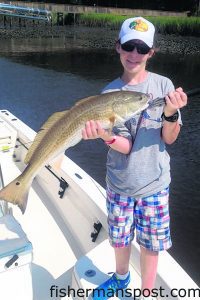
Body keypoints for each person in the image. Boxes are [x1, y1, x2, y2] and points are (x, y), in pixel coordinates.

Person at [81, 17, 187, 300]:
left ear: (151, 52)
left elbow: (170, 138)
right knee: (120, 238)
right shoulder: (108, 93)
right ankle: (120, 278)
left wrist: (171, 114)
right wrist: (105, 136)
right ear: (118, 47)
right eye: (129, 45)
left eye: (142, 48)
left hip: (154, 183)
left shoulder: (164, 85)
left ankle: (147, 291)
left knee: (151, 244)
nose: (134, 54)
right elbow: (125, 146)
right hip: (119, 183)